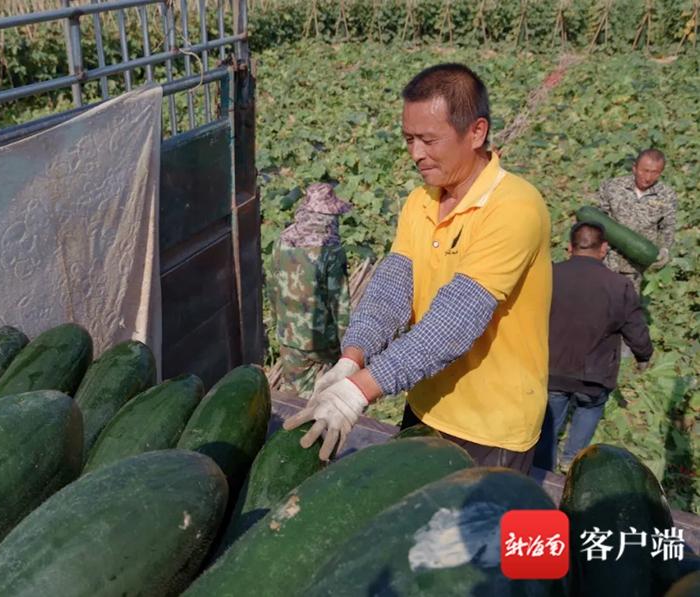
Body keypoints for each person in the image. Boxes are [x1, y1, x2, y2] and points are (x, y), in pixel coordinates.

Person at [284, 63, 552, 474]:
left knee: (463, 537)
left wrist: (360, 392)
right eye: (409, 139)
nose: (415, 154)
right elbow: (392, 291)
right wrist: (352, 359)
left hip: (489, 427)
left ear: (476, 132)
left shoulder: (515, 207)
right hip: (426, 406)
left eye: (429, 140)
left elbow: (456, 320)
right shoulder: (422, 200)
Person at [534, 222, 653, 473]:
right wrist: (644, 355)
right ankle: (572, 460)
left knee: (549, 423)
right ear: (604, 249)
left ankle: (543, 470)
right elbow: (635, 328)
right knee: (589, 409)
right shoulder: (619, 285)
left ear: (569, 247)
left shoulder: (549, 275)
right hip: (595, 373)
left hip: (553, 368)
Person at [270, 183, 351, 399]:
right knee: (329, 395)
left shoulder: (282, 241)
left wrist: (276, 323)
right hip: (321, 339)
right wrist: (348, 349)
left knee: (293, 396)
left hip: (288, 333)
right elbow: (340, 305)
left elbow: (273, 287)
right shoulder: (331, 251)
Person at [598, 148, 678, 293]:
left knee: (627, 307)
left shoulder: (666, 195)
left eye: (655, 173)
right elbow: (598, 219)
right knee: (600, 304)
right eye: (644, 170)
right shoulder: (612, 187)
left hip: (635, 266)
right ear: (634, 168)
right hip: (606, 259)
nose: (648, 177)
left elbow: (667, 227)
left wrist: (665, 249)